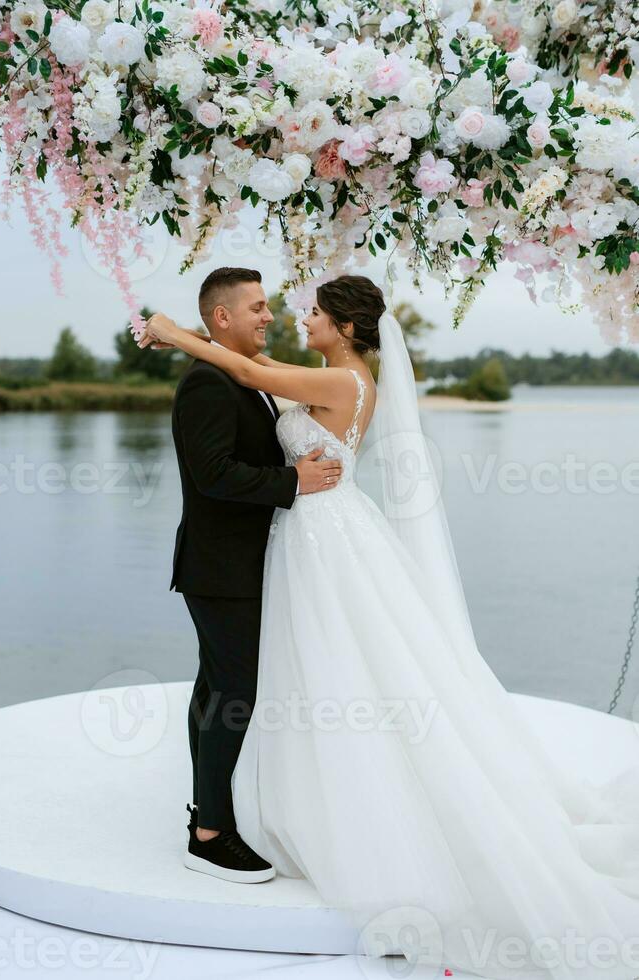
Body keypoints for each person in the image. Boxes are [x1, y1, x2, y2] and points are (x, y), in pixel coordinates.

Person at [139, 274, 639, 980]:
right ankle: (222, 816)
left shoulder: (345, 383)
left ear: (345, 327)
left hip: (324, 536)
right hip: (300, 538)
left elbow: (252, 371)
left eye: (312, 310)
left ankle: (293, 812)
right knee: (287, 673)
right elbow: (250, 390)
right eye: (271, 306)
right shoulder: (321, 374)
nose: (292, 315)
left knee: (334, 666)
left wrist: (169, 330)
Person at [167, 266, 343, 884]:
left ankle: (206, 812)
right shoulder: (207, 384)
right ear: (222, 318)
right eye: (257, 308)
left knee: (216, 689)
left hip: (242, 565)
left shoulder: (247, 377)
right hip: (220, 569)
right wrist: (293, 482)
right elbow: (213, 473)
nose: (269, 317)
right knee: (234, 692)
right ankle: (211, 834)